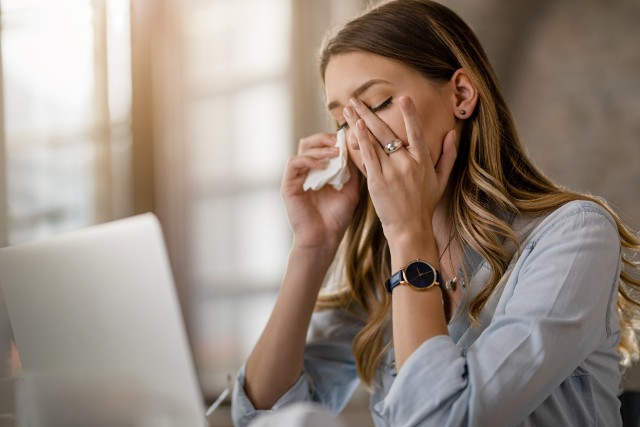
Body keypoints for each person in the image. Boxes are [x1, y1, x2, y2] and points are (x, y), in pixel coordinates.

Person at [231, 1, 640, 425]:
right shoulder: (379, 267)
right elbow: (263, 414)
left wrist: (410, 234)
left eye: (378, 103)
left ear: (461, 95)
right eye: (343, 122)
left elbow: (444, 420)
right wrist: (311, 246)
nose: (360, 136)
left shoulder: (575, 236)